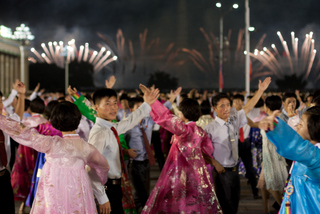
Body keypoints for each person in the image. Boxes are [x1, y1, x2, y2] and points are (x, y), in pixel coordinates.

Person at [0, 101, 109, 213]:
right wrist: (100, 193)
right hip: (78, 193)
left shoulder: (51, 144)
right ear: (77, 120)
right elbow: (103, 168)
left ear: (55, 121)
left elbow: (23, 132)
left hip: (52, 195)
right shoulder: (86, 148)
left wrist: (1, 120)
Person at [140, 85, 222, 214]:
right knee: (197, 204)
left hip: (179, 173)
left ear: (184, 113)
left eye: (179, 112)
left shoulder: (184, 130)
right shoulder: (200, 132)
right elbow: (207, 151)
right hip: (197, 174)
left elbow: (166, 117)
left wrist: (152, 103)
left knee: (177, 203)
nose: (178, 113)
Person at [204, 77, 271, 214]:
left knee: (234, 204)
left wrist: (260, 91)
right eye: (222, 106)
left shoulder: (234, 119)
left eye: (228, 105)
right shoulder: (210, 128)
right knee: (224, 206)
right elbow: (201, 150)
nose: (226, 108)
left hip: (235, 171)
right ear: (214, 108)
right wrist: (214, 163)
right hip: (221, 172)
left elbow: (247, 107)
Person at [88, 87, 155, 214]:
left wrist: (146, 104)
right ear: (96, 108)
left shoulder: (110, 128)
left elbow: (129, 122)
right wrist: (102, 198)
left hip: (114, 188)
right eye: (107, 104)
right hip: (106, 190)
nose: (113, 107)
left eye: (114, 103)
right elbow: (91, 166)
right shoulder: (100, 133)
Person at [259, 106, 320, 214]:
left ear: (314, 129)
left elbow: (295, 146)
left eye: (300, 124)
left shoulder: (315, 156)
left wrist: (275, 126)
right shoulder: (310, 152)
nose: (297, 126)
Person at [10, 97, 47, 212]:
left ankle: (22, 205)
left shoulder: (25, 122)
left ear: (30, 108)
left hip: (25, 155)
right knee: (39, 180)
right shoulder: (46, 123)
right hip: (40, 157)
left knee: (25, 179)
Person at [26, 100, 63, 208]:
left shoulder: (43, 126)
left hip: (43, 159)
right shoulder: (63, 128)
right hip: (58, 161)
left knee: (42, 184)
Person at [257, 96, 288, 214]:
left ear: (267, 106)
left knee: (272, 186)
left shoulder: (275, 120)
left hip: (273, 156)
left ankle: (287, 209)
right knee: (264, 185)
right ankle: (266, 210)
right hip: (268, 155)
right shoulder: (278, 118)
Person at [0, 81, 25, 214]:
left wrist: (21, 95)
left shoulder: (4, 122)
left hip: (4, 176)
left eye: (0, 102)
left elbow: (18, 118)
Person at [126, 96, 155, 210]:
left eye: (142, 106)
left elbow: (162, 113)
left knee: (143, 190)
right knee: (143, 193)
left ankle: (137, 208)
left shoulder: (148, 120)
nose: (141, 109)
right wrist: (125, 150)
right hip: (135, 163)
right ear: (132, 109)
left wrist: (172, 99)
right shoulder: (127, 123)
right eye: (138, 107)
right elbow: (119, 138)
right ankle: (147, 210)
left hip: (146, 161)